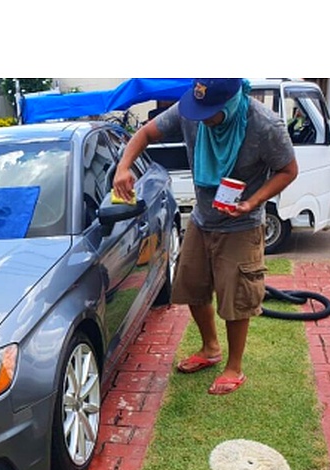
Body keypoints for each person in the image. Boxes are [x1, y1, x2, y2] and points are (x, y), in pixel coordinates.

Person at [114, 78, 298, 395]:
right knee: (192, 286)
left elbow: (288, 170)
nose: (199, 118)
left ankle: (234, 367)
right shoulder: (191, 110)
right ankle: (210, 348)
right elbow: (145, 134)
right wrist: (123, 166)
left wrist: (253, 202)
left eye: (208, 112)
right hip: (202, 219)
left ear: (229, 102)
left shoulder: (264, 125)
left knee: (236, 299)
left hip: (241, 224)